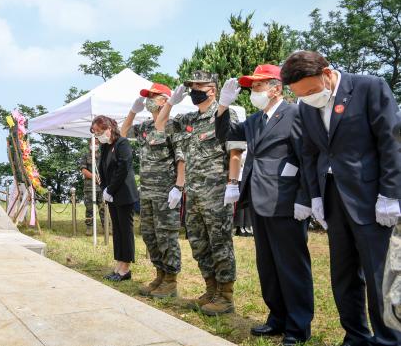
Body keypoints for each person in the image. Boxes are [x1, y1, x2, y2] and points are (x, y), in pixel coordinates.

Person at [281, 50, 401, 346]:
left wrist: (390, 193)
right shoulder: (307, 107)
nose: (308, 97)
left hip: (372, 199)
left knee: (380, 277)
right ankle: (356, 335)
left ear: (327, 72)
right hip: (334, 200)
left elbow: (392, 142)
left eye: (310, 90)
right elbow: (310, 154)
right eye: (300, 95)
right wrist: (315, 196)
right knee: (343, 275)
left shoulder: (369, 87)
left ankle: (389, 339)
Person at [215, 65, 314, 345]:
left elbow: (307, 157)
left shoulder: (295, 114)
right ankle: (277, 318)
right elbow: (227, 136)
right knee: (268, 265)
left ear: (276, 88)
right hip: (258, 200)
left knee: (291, 265)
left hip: (286, 201)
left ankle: (298, 326)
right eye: (252, 86)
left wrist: (304, 198)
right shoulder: (257, 120)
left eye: (259, 86)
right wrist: (223, 105)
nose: (253, 91)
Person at [155, 70, 245, 316]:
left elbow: (235, 151)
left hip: (217, 193)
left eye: (198, 86)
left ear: (212, 89)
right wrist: (171, 103)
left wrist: (232, 183)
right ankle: (211, 289)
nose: (193, 90)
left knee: (220, 244)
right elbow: (160, 125)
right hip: (193, 194)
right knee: (198, 244)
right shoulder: (189, 119)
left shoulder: (227, 113)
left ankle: (225, 296)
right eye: (191, 86)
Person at [121, 82, 184, 298]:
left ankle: (171, 280)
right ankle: (160, 275)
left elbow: (181, 158)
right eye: (148, 96)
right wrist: (132, 111)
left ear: (165, 100)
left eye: (153, 96)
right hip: (146, 191)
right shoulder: (146, 126)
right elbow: (123, 133)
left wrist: (179, 186)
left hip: (166, 191)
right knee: (149, 234)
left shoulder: (173, 125)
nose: (149, 100)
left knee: (166, 236)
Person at [93, 115, 138, 282]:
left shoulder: (122, 143)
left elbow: (123, 167)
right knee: (117, 231)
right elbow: (103, 169)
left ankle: (125, 268)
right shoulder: (105, 146)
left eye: (99, 131)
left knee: (125, 231)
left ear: (109, 128)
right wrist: (104, 188)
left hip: (124, 193)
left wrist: (110, 189)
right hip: (111, 194)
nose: (98, 135)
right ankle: (119, 264)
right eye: (95, 132)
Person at [79, 140, 105, 236]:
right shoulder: (85, 156)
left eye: (97, 143)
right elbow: (83, 170)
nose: (95, 145)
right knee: (89, 208)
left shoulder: (103, 155)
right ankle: (89, 227)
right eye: (93, 143)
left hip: (102, 187)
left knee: (104, 208)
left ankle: (106, 227)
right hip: (90, 187)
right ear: (89, 144)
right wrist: (94, 177)